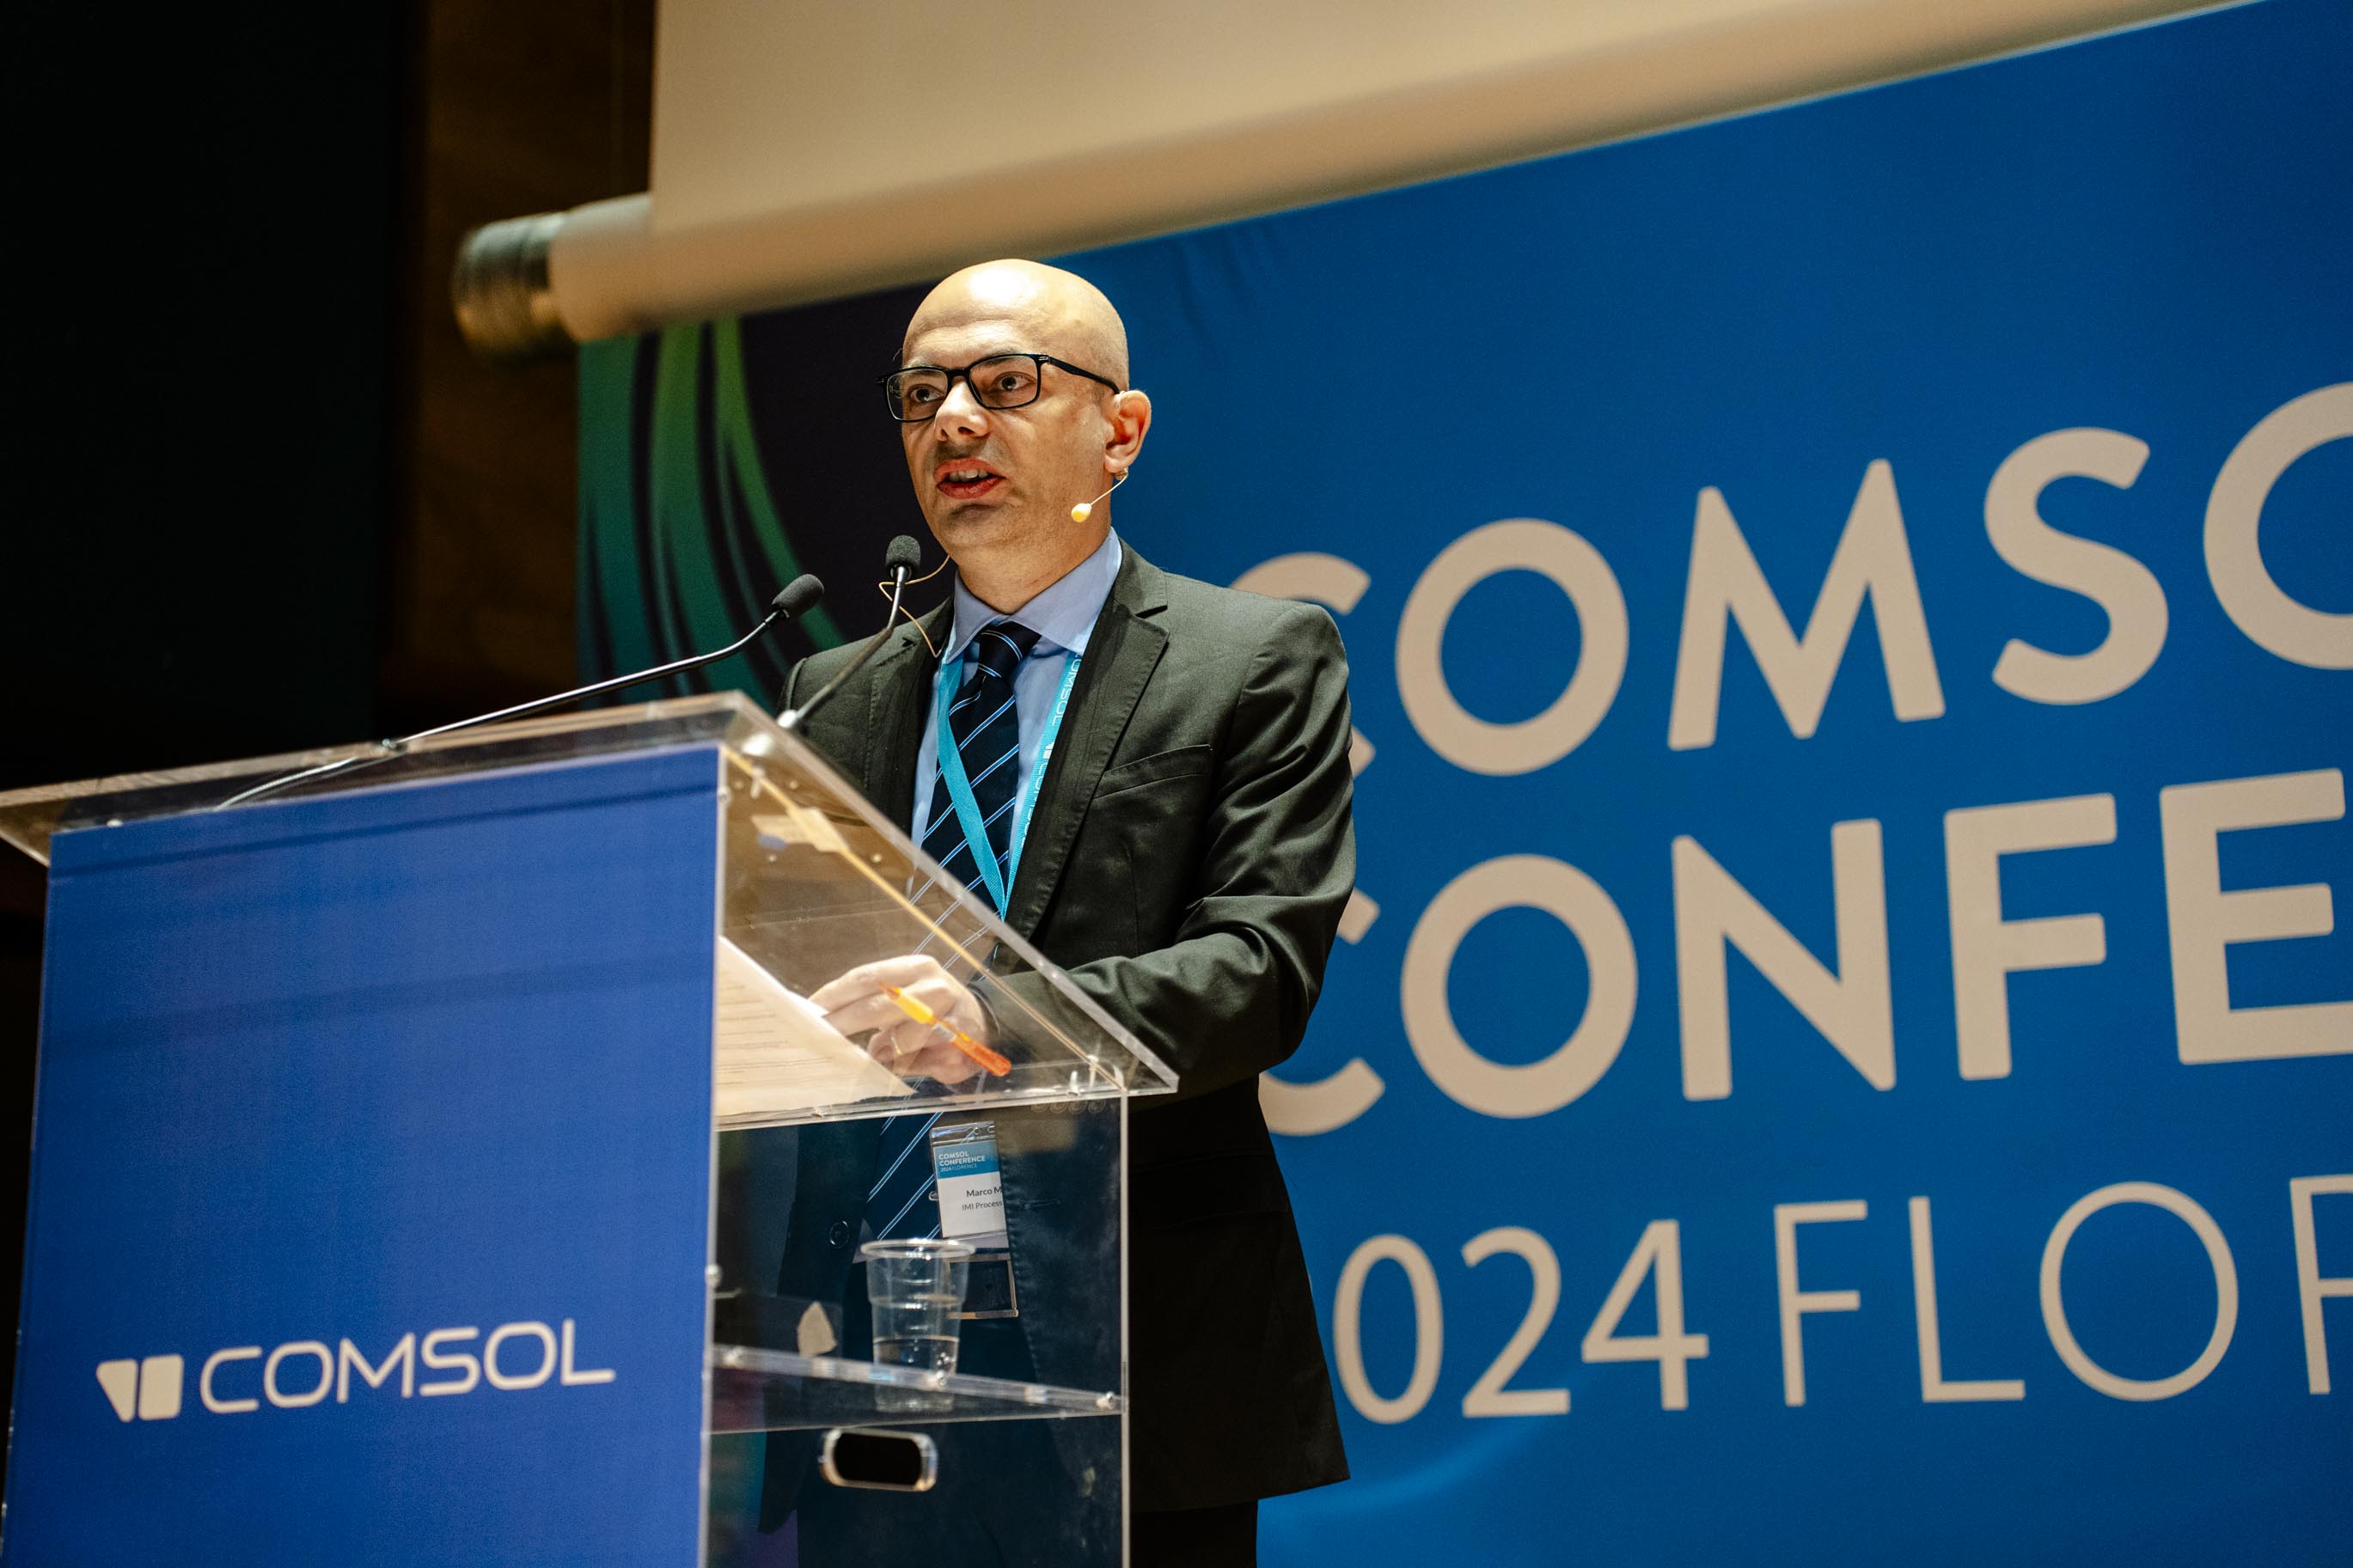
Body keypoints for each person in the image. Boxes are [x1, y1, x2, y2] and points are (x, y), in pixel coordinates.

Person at [766, 259, 1353, 1566]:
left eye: (1006, 383)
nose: (954, 420)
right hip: (872, 1343)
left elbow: (1256, 970)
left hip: (1131, 1336)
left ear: (1120, 431)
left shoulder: (1249, 659)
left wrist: (996, 1017)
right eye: (922, 393)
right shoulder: (832, 692)